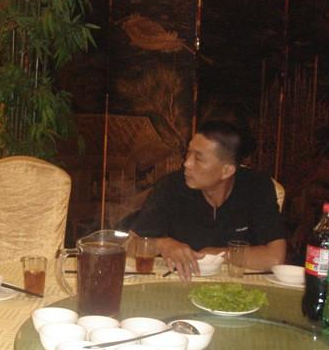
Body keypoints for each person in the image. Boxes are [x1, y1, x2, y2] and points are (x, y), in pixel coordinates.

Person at [118, 119, 286, 280]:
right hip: (181, 281)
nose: (187, 163)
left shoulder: (256, 186)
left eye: (198, 158)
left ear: (227, 171)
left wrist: (216, 254)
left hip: (240, 286)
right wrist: (163, 245)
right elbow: (129, 245)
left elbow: (275, 258)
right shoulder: (171, 187)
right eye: (188, 153)